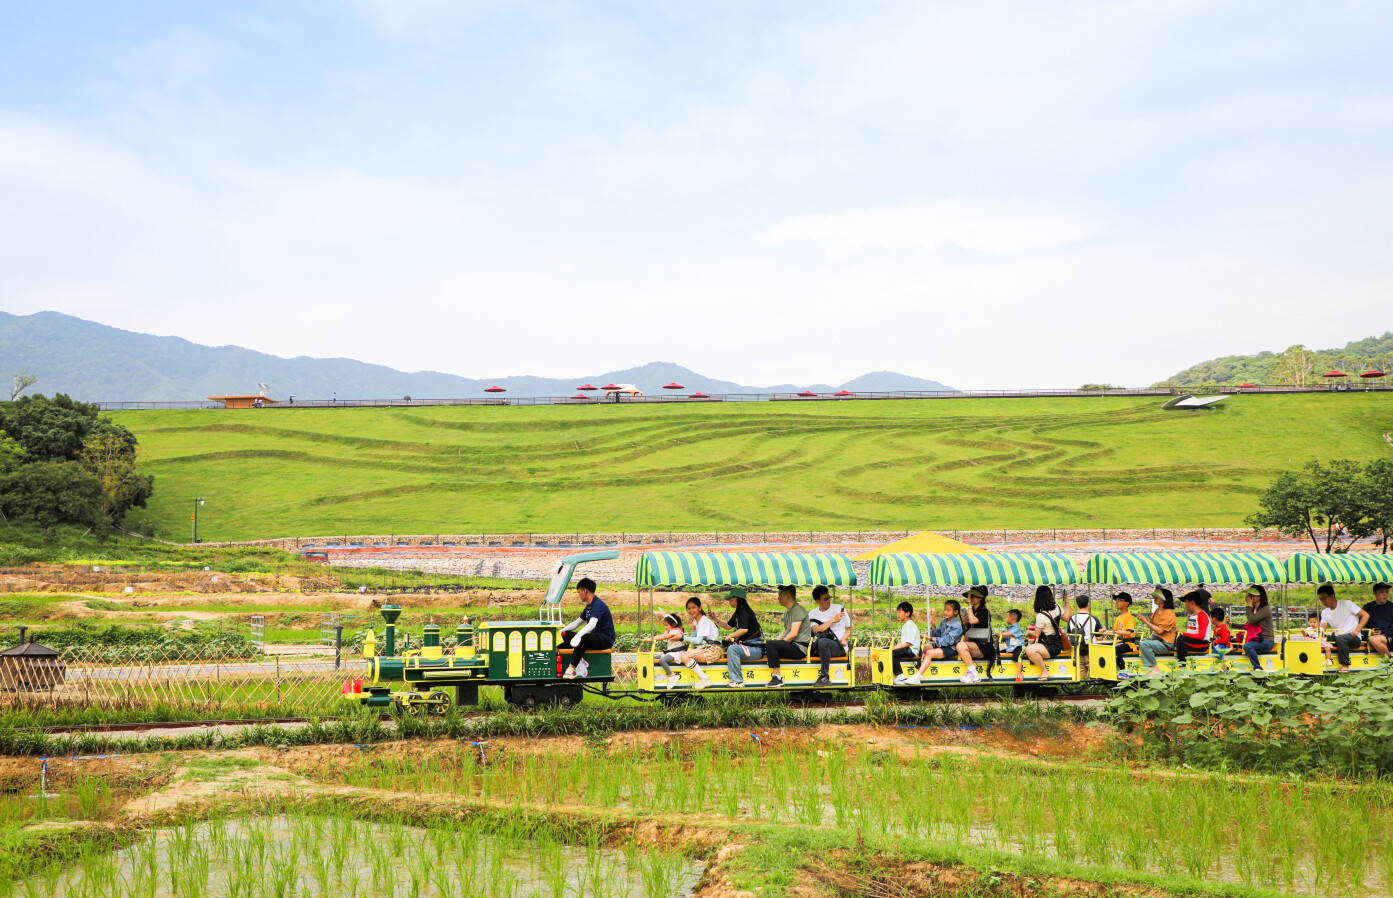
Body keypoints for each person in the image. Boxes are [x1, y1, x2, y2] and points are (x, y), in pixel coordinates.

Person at [896, 600, 964, 685]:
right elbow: (937, 634)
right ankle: (913, 668)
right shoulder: (944, 621)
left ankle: (917, 676)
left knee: (929, 653)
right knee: (920, 647)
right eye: (945, 609)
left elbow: (947, 641)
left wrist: (930, 638)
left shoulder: (957, 625)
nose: (945, 612)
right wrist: (933, 626)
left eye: (948, 610)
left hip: (950, 648)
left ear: (956, 612)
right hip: (940, 645)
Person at [560, 577, 615, 679]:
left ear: (585, 591)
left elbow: (592, 624)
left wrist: (579, 636)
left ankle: (572, 668)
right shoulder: (589, 606)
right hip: (594, 637)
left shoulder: (598, 604)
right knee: (565, 635)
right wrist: (561, 631)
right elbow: (577, 623)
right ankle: (560, 663)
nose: (579, 595)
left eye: (579, 592)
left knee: (584, 638)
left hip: (605, 638)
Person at [669, 597, 723, 689]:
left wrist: (681, 637)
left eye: (693, 607)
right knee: (683, 654)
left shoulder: (703, 621)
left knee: (684, 656)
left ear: (700, 608)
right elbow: (695, 639)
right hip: (704, 648)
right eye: (688, 608)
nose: (691, 610)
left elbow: (698, 641)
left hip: (712, 650)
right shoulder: (696, 621)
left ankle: (705, 679)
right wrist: (693, 630)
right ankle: (703, 678)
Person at [764, 585, 810, 688]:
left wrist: (776, 645)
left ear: (788, 596)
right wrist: (773, 646)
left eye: (780, 595)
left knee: (772, 644)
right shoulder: (789, 612)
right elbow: (784, 633)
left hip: (799, 648)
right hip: (792, 645)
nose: (778, 598)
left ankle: (777, 678)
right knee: (770, 644)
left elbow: (794, 633)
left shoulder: (798, 610)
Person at [1317, 583, 1368, 673]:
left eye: (1324, 598)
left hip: (1353, 637)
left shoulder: (1346, 604)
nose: (1323, 601)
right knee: (1320, 639)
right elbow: (1322, 629)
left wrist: (1357, 630)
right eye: (1321, 599)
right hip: (1338, 637)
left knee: (1340, 638)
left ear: (1332, 596)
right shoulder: (1325, 612)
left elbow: (1365, 615)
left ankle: (1345, 665)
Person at [807, 585, 849, 687]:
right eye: (825, 599)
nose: (828, 601)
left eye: (829, 597)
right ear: (817, 601)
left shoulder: (839, 608)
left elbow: (850, 627)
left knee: (823, 642)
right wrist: (833, 620)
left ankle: (825, 676)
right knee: (822, 642)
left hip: (838, 646)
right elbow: (817, 629)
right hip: (821, 645)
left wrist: (843, 638)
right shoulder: (812, 614)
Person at [723, 589, 765, 687]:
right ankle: (736, 679)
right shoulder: (738, 611)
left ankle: (737, 681)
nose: (729, 601)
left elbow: (744, 629)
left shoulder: (744, 611)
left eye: (730, 598)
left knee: (732, 649)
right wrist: (715, 619)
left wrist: (730, 636)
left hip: (755, 648)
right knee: (730, 648)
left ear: (735, 598)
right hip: (748, 646)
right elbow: (727, 626)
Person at [1023, 586, 1064, 682]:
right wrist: (1067, 604)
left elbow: (1036, 634)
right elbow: (1066, 618)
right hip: (1057, 643)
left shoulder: (1041, 616)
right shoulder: (1057, 607)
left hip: (1050, 646)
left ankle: (1044, 671)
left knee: (1030, 650)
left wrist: (1028, 632)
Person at [955, 585, 994, 684]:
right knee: (960, 644)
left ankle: (973, 673)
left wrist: (968, 606)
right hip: (974, 643)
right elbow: (968, 628)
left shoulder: (984, 611)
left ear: (980, 598)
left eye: (972, 597)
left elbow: (973, 620)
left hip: (984, 645)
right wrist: (964, 622)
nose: (970, 599)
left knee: (960, 645)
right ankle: (971, 673)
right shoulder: (973, 611)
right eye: (968, 597)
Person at [1137, 588, 1178, 674]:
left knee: (1144, 644)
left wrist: (1145, 621)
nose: (1154, 598)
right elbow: (1153, 624)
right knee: (1140, 641)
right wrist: (1144, 619)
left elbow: (1160, 630)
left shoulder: (1169, 612)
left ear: (1164, 599)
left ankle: (1154, 668)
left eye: (1157, 597)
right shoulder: (1158, 610)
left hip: (1165, 643)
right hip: (1157, 639)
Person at [1242, 585, 1276, 673]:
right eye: (1249, 594)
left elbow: (1251, 620)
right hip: (1257, 639)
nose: (1250, 596)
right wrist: (1232, 624)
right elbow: (1249, 625)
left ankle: (1258, 668)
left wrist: (1249, 605)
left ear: (1260, 596)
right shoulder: (1255, 609)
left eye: (1252, 594)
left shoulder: (1266, 609)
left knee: (1248, 646)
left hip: (1266, 641)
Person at [1103, 593, 1138, 673]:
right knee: (1105, 647)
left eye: (1120, 600)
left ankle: (1123, 670)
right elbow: (1116, 631)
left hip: (1128, 643)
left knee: (1114, 649)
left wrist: (1112, 632)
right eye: (1116, 600)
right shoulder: (1119, 617)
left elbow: (1128, 633)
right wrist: (1105, 631)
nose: (1117, 602)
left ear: (1126, 603)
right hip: (1120, 642)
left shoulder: (1129, 617)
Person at [1173, 591, 1211, 664]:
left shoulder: (1202, 616)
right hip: (1195, 641)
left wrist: (1184, 634)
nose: (1185, 605)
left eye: (1186, 602)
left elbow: (1201, 636)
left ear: (1192, 603)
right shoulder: (1193, 615)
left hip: (1202, 644)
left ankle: (1182, 664)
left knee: (1181, 639)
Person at [652, 612, 687, 686]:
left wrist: (651, 639)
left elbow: (664, 636)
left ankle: (672, 676)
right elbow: (664, 634)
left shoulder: (675, 631)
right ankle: (658, 674)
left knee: (662, 660)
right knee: (652, 658)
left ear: (673, 625)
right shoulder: (671, 630)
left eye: (666, 625)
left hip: (677, 653)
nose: (665, 627)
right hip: (671, 652)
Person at [888, 601, 920, 678]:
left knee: (892, 653)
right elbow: (902, 642)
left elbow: (908, 643)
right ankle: (890, 675)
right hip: (906, 648)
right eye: (897, 612)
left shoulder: (910, 625)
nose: (898, 614)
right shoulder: (906, 625)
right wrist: (891, 648)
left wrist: (893, 648)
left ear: (907, 613)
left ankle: (900, 675)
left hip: (911, 650)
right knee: (886, 650)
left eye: (900, 612)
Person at [1362, 583, 1393, 658]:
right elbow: (1361, 626)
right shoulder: (1367, 607)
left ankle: (1390, 662)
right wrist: (1370, 631)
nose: (1385, 595)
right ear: (1375, 593)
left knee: (1374, 640)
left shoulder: (1392, 607)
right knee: (1372, 639)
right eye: (1382, 592)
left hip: (1390, 635)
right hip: (1374, 636)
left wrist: (1383, 632)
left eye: (1387, 592)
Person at [1002, 609, 1026, 682]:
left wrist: (1001, 634)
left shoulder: (1016, 627)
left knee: (1017, 656)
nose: (1006, 618)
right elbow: (1007, 636)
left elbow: (1010, 634)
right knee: (1000, 652)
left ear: (1011, 618)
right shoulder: (1010, 628)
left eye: (1007, 617)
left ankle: (1019, 673)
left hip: (1019, 646)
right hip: (1011, 647)